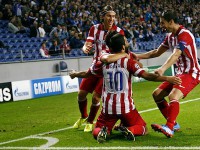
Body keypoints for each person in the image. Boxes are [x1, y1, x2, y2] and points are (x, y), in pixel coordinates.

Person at [70, 31, 181, 143]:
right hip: (126, 108)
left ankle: (101, 132)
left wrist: (75, 74)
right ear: (123, 47)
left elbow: (87, 74)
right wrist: (167, 78)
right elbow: (147, 76)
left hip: (108, 109)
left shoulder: (101, 61)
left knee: (98, 128)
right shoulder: (129, 61)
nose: (127, 42)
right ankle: (129, 129)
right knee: (143, 128)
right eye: (126, 41)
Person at [136, 10, 200, 138]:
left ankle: (169, 127)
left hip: (191, 73)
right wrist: (137, 56)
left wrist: (162, 69)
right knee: (157, 94)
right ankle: (174, 124)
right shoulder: (170, 36)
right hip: (180, 73)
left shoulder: (185, 34)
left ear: (171, 22)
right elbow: (156, 52)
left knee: (173, 96)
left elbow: (176, 54)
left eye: (163, 23)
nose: (161, 26)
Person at [72, 5, 124, 132]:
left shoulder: (119, 31)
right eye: (109, 16)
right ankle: (83, 116)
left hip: (108, 70)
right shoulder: (94, 29)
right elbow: (87, 43)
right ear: (103, 17)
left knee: (96, 97)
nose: (111, 19)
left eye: (113, 16)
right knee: (81, 94)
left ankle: (90, 121)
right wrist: (85, 48)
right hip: (95, 67)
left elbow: (122, 48)